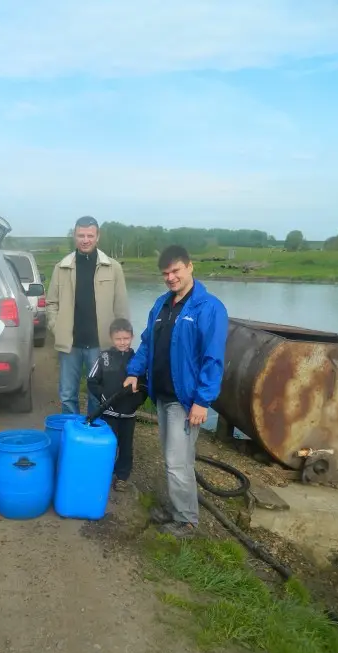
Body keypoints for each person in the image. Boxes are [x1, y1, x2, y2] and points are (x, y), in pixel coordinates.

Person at [124, 245, 228, 537]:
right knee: (176, 461)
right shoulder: (161, 305)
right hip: (163, 396)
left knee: (176, 462)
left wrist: (202, 401)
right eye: (165, 273)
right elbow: (147, 343)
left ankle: (187, 521)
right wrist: (134, 371)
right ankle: (178, 510)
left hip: (185, 401)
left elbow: (213, 358)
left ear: (190, 267)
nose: (170, 277)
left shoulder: (209, 308)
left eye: (176, 271)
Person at [46, 216, 129, 415]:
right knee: (67, 394)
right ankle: (72, 437)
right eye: (81, 235)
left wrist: (122, 342)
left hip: (100, 345)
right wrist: (56, 327)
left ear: (97, 237)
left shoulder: (114, 268)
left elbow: (121, 308)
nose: (85, 240)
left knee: (96, 394)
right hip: (70, 345)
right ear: (74, 236)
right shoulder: (61, 267)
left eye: (90, 235)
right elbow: (51, 303)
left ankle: (92, 436)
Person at [87, 318, 147, 491]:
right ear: (112, 339)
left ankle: (122, 476)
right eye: (118, 339)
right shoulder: (104, 358)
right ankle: (103, 472)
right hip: (108, 414)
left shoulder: (138, 361)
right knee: (107, 444)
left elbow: (145, 387)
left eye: (126, 338)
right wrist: (103, 397)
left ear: (132, 337)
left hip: (128, 416)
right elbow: (92, 381)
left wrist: (136, 402)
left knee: (126, 447)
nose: (122, 342)